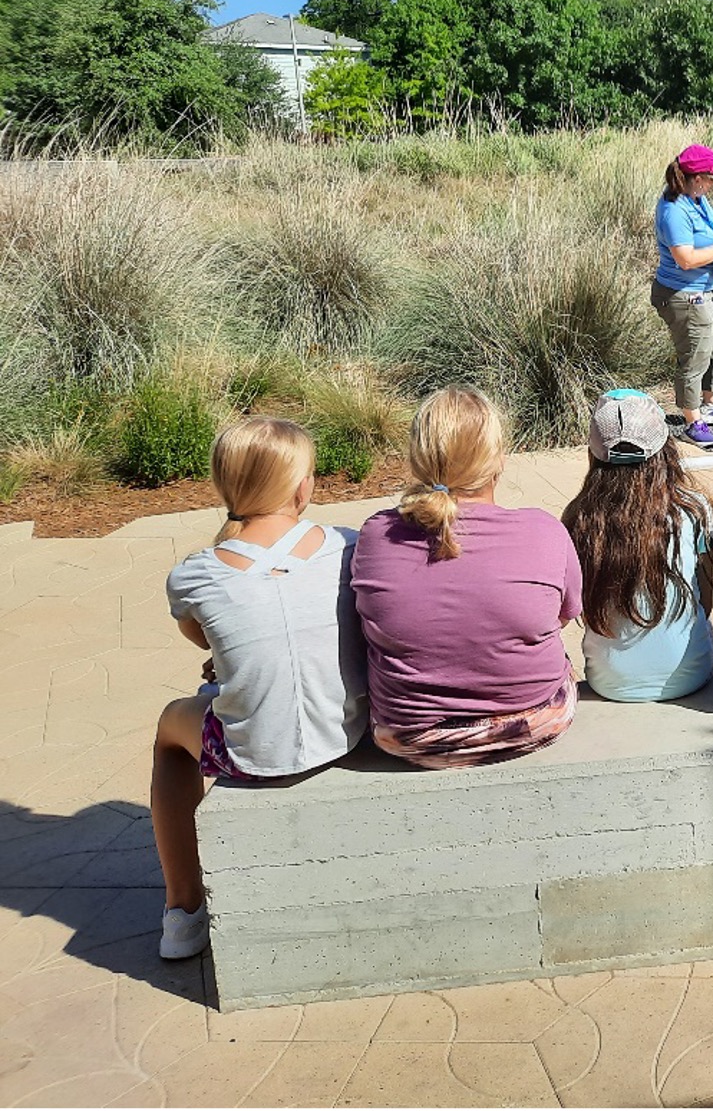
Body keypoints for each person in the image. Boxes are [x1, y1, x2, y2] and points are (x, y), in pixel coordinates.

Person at [155, 418, 368, 960]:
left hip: (252, 757)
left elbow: (202, 638)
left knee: (167, 728)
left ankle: (182, 909)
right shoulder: (348, 545)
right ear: (302, 487)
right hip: (350, 732)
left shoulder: (194, 575)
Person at [352, 387, 581, 767]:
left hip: (409, 737)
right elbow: (564, 614)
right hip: (533, 721)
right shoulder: (543, 531)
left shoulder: (377, 534)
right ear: (498, 460)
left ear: (417, 460)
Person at [561, 389, 713, 702]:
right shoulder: (695, 509)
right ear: (666, 448)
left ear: (593, 453)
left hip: (608, 681)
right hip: (690, 675)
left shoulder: (578, 518)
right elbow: (704, 603)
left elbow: (579, 608)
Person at [652, 143, 713, 449]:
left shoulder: (697, 199)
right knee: (695, 357)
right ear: (695, 177)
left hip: (707, 290)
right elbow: (686, 259)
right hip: (684, 295)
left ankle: (712, 404)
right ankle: (692, 421)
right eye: (712, 178)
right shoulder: (673, 210)